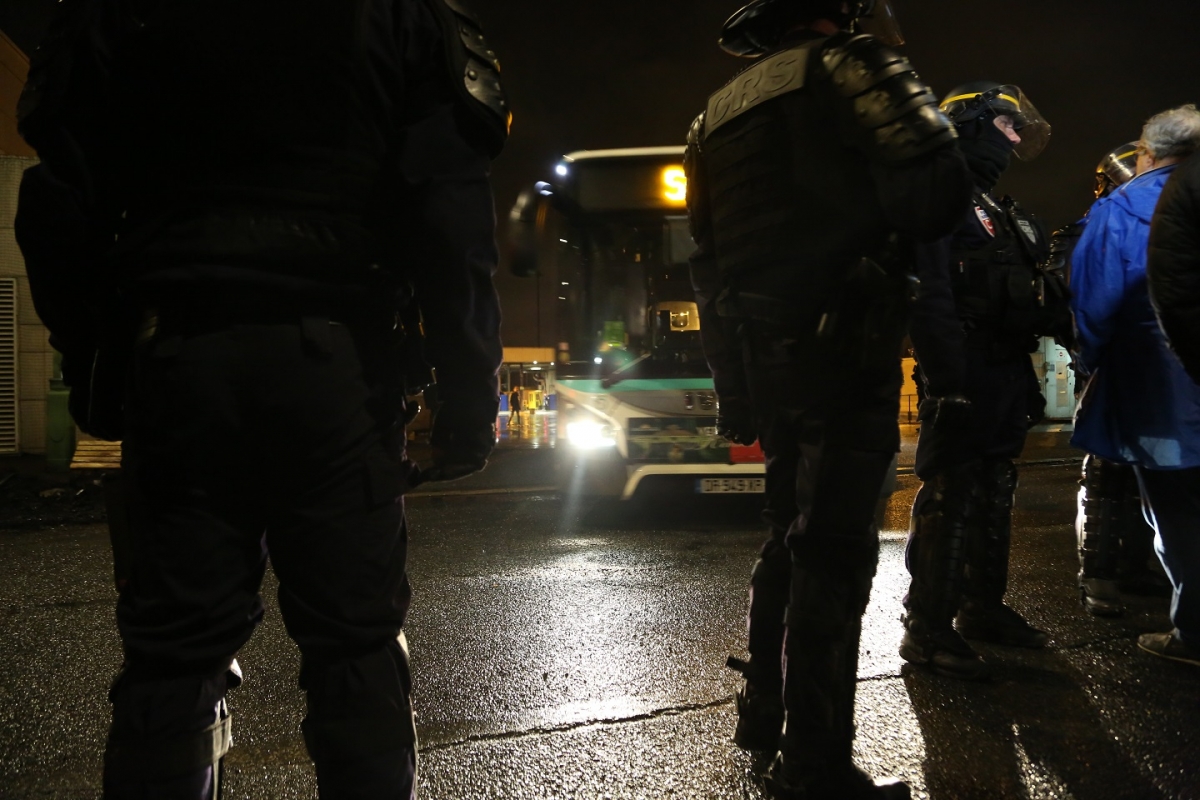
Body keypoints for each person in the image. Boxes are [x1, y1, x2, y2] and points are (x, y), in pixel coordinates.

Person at [14, 0, 507, 797]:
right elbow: (452, 219)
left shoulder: (110, 14)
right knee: (356, 647)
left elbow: (57, 208)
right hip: (337, 366)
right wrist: (466, 399)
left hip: (180, 361)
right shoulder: (406, 14)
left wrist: (100, 372)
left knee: (172, 657)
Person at [685, 2, 971, 796]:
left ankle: (763, 712)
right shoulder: (852, 64)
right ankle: (815, 767)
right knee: (835, 553)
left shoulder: (713, 115)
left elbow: (707, 270)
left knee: (786, 533)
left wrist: (732, 386)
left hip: (764, 357)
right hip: (846, 346)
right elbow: (937, 195)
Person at [901, 81, 1063, 682]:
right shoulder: (937, 199)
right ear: (970, 125)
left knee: (995, 489)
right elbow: (930, 296)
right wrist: (947, 379)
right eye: (1007, 126)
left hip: (1003, 370)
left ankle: (982, 608)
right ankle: (928, 627)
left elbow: (1030, 294)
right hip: (961, 370)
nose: (1016, 138)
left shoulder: (998, 211)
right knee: (952, 495)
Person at [1073, 104, 1200, 667]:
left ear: (1150, 153)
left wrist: (1091, 365)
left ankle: (1195, 633)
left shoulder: (1123, 207)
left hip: (1162, 389)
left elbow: (1095, 304)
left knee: (1179, 512)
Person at [1058, 143, 1167, 617]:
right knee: (1107, 470)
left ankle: (1131, 566)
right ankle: (1099, 573)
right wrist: (1090, 354)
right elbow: (1076, 297)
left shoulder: (1159, 221)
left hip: (1154, 362)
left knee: (1151, 468)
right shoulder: (1098, 223)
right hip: (1116, 360)